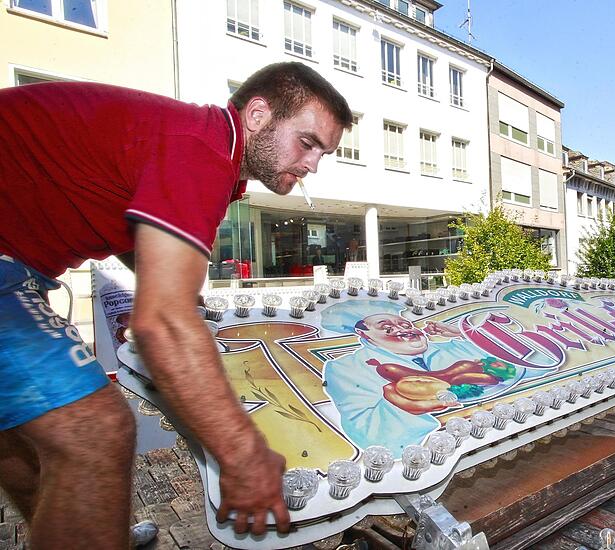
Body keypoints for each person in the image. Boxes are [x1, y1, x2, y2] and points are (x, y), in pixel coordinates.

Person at [0, 62, 353, 545]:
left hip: (18, 261)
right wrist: (243, 454)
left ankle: (88, 532)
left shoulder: (204, 150)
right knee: (95, 433)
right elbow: (163, 324)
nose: (312, 164)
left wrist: (171, 295)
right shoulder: (202, 149)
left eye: (324, 153)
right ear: (256, 114)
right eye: (307, 143)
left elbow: (137, 241)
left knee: (20, 439)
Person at [319, 300, 547, 453]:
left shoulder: (456, 348)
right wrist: (418, 398)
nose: (402, 330)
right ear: (363, 334)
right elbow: (372, 436)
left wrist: (467, 334)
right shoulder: (344, 369)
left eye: (405, 324)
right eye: (387, 328)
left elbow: (538, 362)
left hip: (509, 439)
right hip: (434, 457)